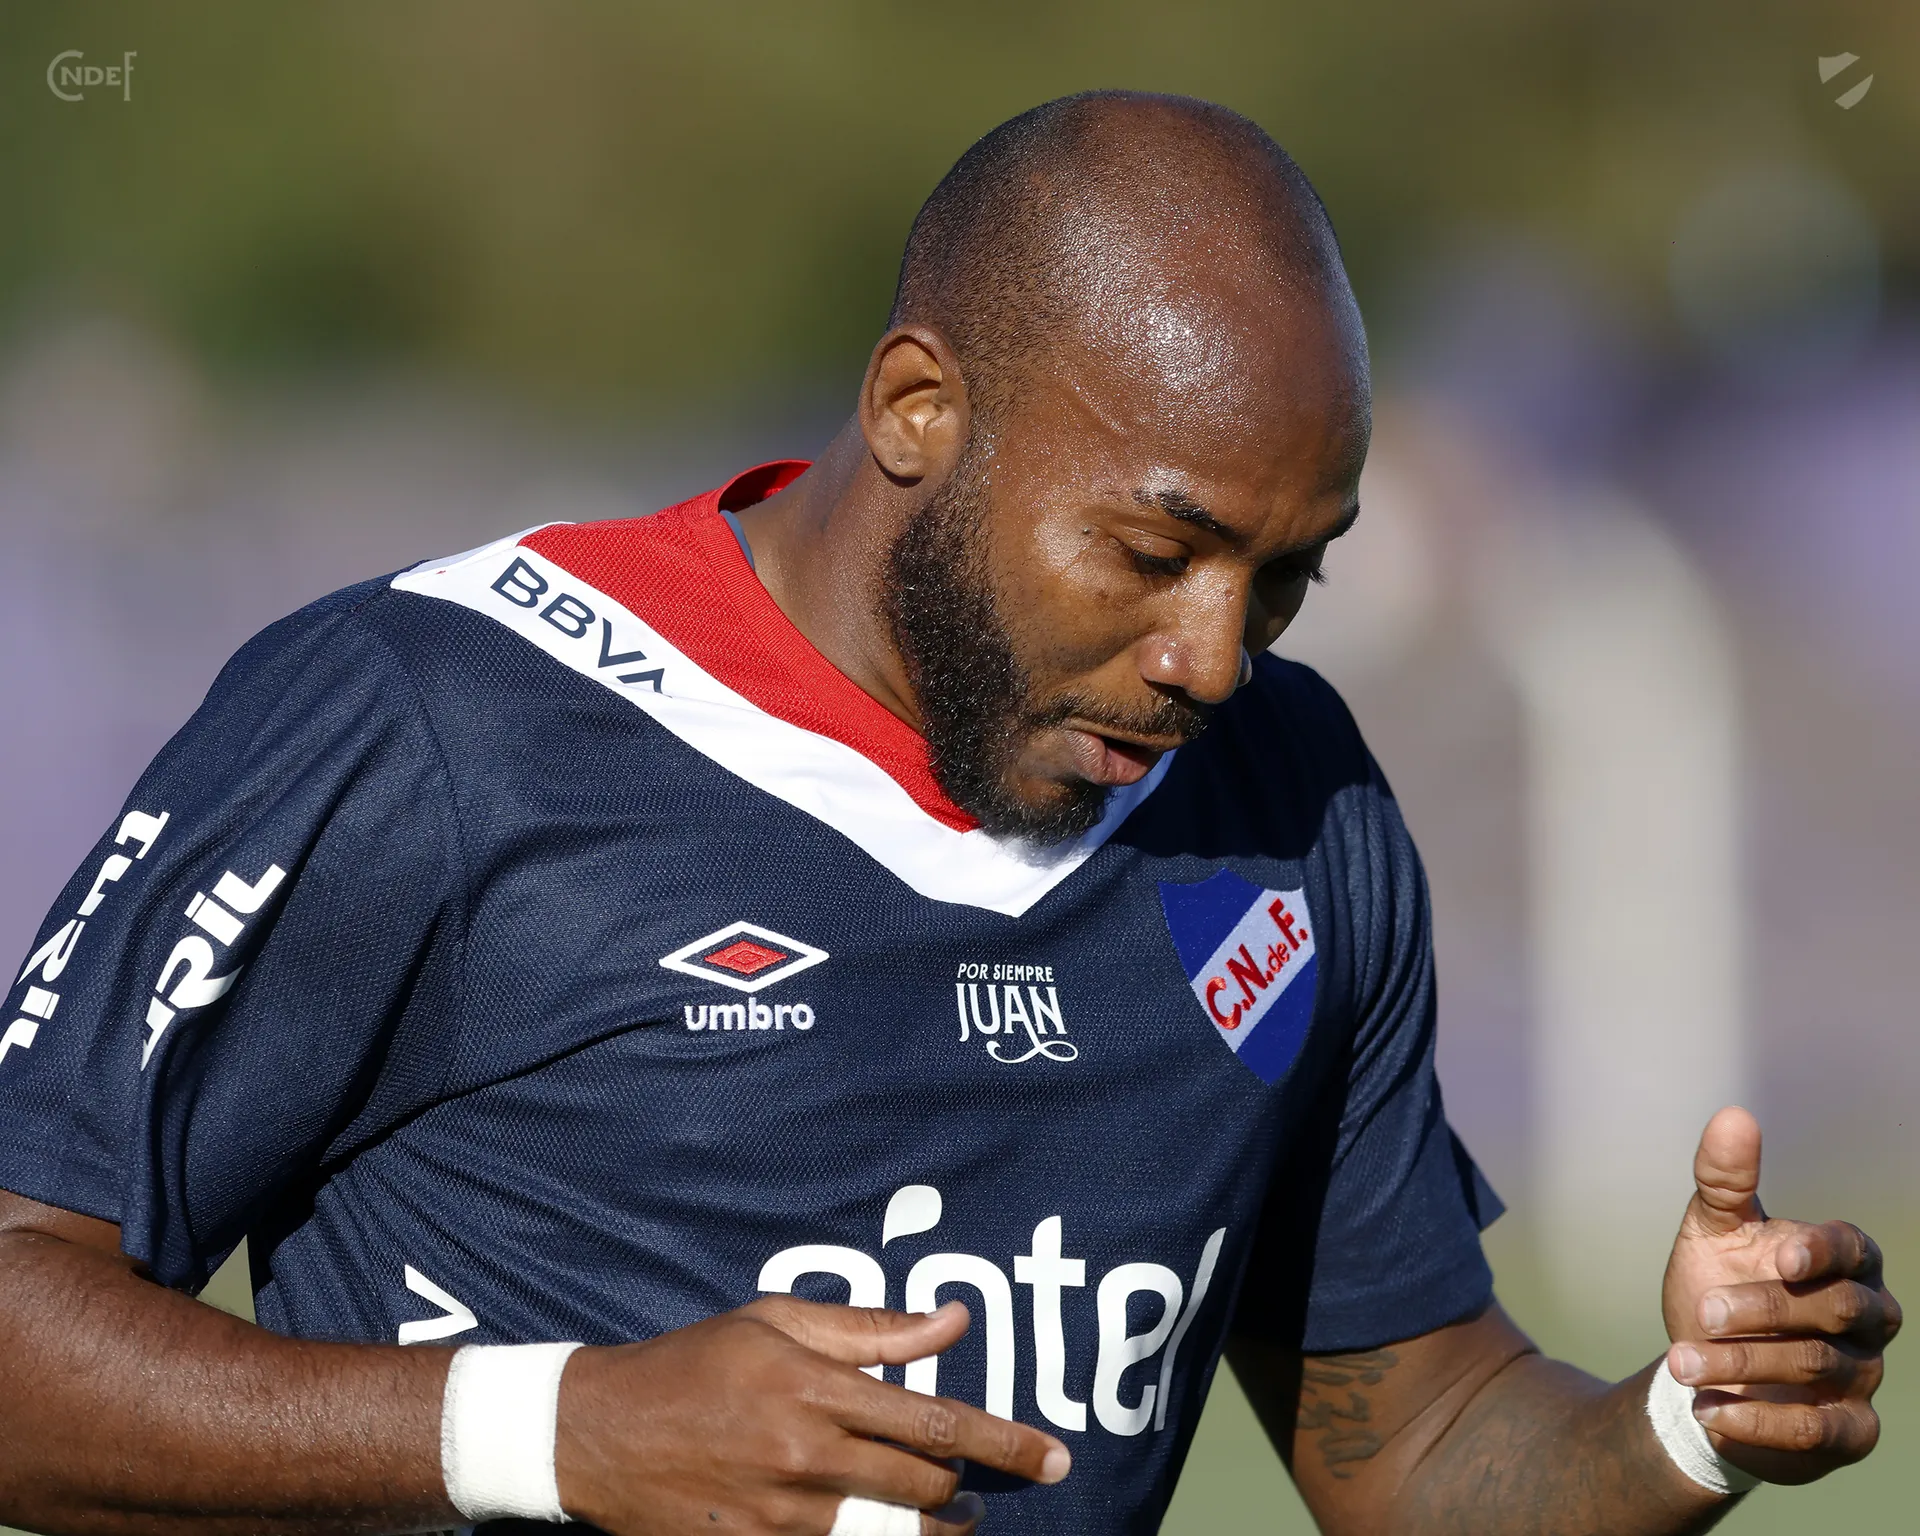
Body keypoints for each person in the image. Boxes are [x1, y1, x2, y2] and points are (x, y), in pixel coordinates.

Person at [0, 91, 1896, 1536]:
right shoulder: (433, 714)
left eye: (1289, 576)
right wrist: (559, 1434)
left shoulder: (1290, 806)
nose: (1215, 653)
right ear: (920, 408)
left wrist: (1688, 1422)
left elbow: (1418, 1436)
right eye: (1153, 550)